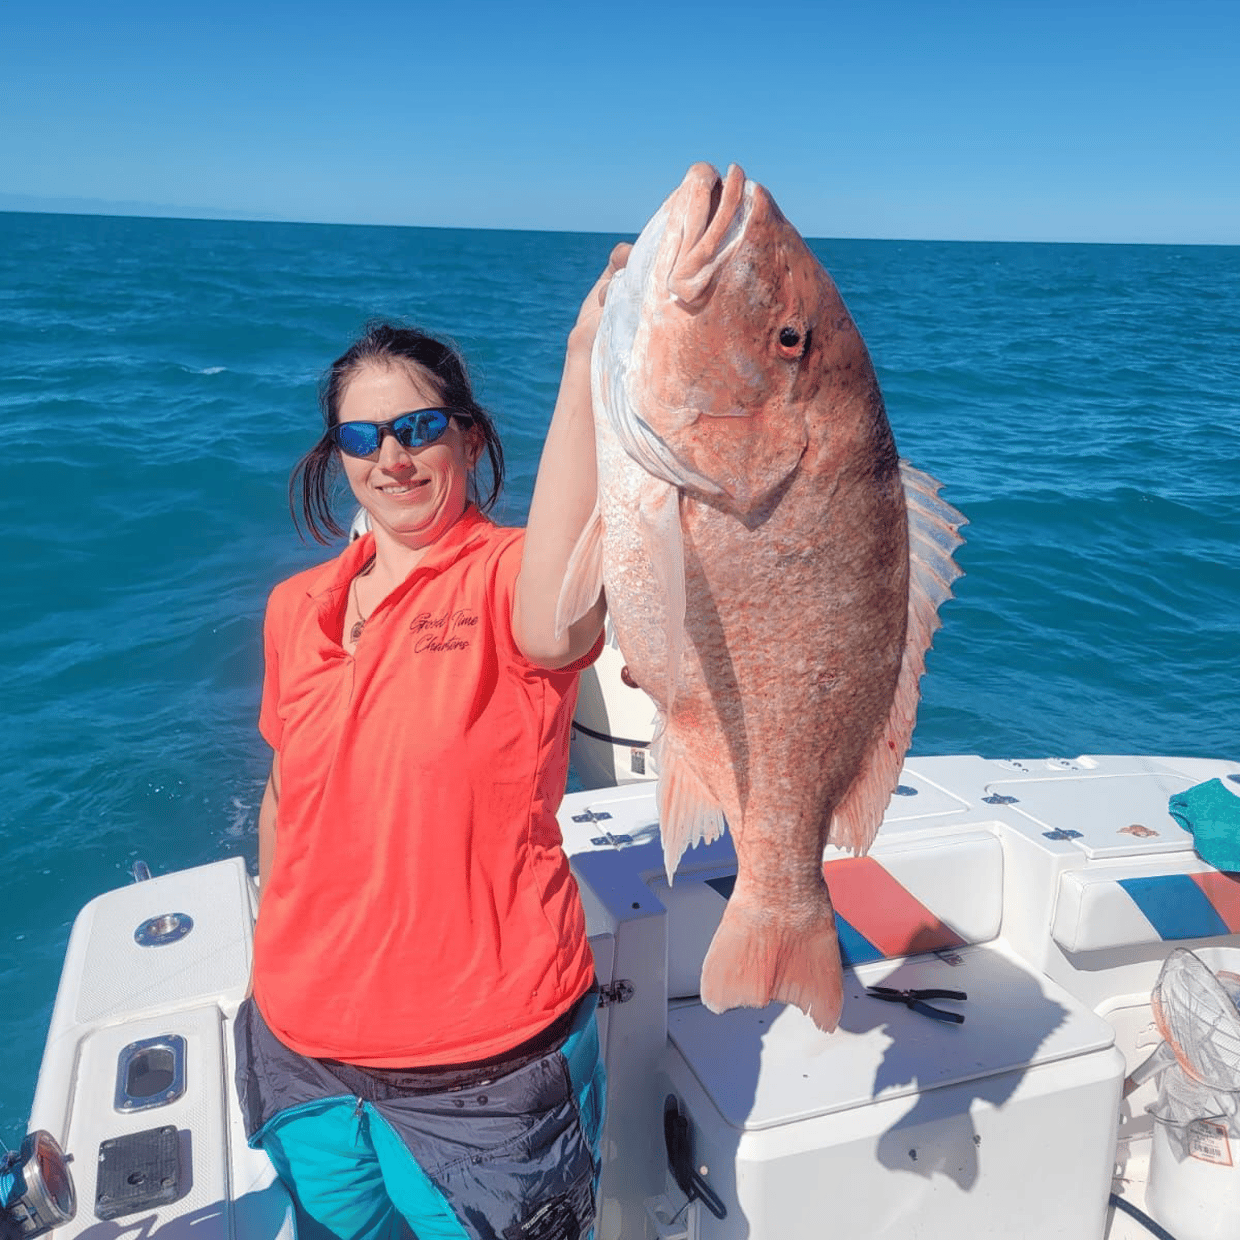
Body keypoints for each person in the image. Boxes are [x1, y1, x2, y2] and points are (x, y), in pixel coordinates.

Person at [234, 245, 629, 1240]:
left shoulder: (507, 577)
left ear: (466, 435)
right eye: (362, 436)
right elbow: (288, 796)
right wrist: (269, 966)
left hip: (485, 1074)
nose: (391, 456)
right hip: (301, 1054)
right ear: (336, 454)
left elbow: (559, 623)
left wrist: (590, 358)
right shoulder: (295, 607)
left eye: (418, 427)